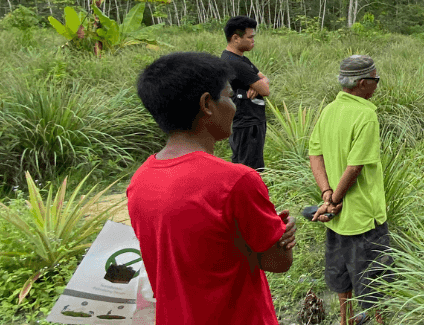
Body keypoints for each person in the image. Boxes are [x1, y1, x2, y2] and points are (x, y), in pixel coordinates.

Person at [127, 52, 296, 325]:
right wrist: (284, 237)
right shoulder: (236, 181)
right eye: (229, 96)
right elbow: (277, 263)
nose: (234, 106)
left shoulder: (140, 180)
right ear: (207, 104)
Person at [309, 55, 390, 325]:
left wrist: (326, 196)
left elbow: (315, 155)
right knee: (374, 281)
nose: (377, 85)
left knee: (341, 273)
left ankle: (346, 320)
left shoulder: (330, 110)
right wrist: (337, 199)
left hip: (337, 220)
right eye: (375, 80)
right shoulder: (366, 115)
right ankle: (378, 321)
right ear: (362, 83)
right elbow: (355, 167)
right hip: (363, 216)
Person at [222, 15, 271, 170]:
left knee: (243, 163)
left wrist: (257, 84)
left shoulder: (239, 59)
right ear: (236, 38)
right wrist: (258, 85)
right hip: (247, 122)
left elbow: (264, 78)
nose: (253, 41)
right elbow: (266, 90)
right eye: (250, 37)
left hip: (247, 120)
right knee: (250, 169)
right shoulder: (236, 63)